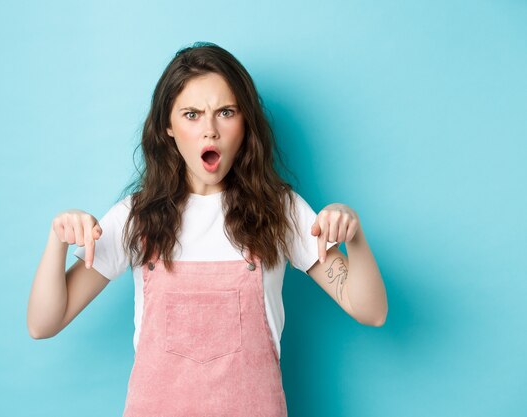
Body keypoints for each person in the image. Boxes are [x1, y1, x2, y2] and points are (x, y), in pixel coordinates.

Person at [27, 41, 388, 417]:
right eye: (192, 114)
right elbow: (43, 323)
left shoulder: (280, 211)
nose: (210, 131)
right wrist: (57, 241)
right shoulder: (136, 217)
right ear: (168, 126)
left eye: (226, 112)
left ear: (245, 123)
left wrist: (355, 238)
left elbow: (371, 310)